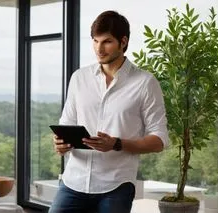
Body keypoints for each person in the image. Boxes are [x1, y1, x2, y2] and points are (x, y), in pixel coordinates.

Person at [49, 10, 169, 213]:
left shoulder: (145, 83)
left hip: (116, 185)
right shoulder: (79, 78)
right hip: (73, 182)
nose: (99, 49)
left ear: (123, 42)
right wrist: (61, 143)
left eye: (106, 42)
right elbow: (66, 124)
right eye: (95, 41)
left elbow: (159, 140)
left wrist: (117, 144)